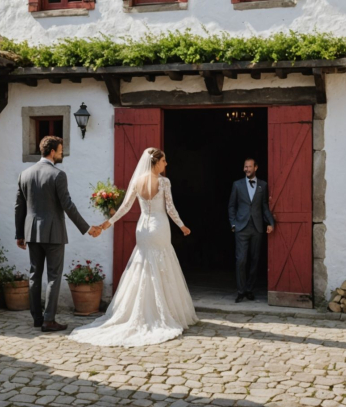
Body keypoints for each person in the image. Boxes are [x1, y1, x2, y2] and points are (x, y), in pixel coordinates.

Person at [68, 148, 197, 347]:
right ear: (156, 163)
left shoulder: (137, 181)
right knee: (162, 264)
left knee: (144, 264)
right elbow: (170, 208)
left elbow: (125, 207)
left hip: (143, 229)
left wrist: (108, 223)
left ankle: (140, 310)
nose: (166, 164)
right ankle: (162, 312)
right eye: (164, 161)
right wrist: (182, 226)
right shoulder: (163, 182)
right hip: (160, 227)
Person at [15, 135, 101, 332]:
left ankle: (37, 318)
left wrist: (20, 234)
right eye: (60, 150)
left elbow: (19, 207)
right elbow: (68, 206)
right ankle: (49, 320)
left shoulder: (25, 174)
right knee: (54, 276)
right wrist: (87, 228)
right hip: (53, 233)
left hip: (32, 233)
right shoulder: (58, 175)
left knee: (34, 274)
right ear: (52, 151)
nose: (62, 153)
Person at [227, 158, 275, 303]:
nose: (247, 169)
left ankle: (249, 289)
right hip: (241, 227)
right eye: (245, 167)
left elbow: (264, 206)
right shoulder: (237, 185)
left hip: (257, 228)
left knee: (255, 260)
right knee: (241, 260)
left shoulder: (263, 185)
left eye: (249, 166)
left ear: (256, 167)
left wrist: (270, 222)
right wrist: (233, 224)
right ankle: (241, 291)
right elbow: (231, 206)